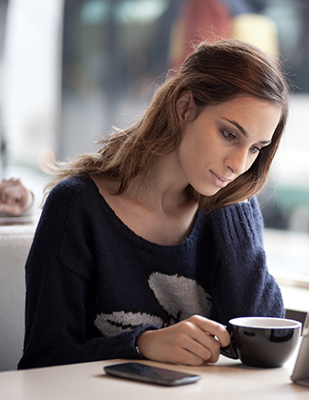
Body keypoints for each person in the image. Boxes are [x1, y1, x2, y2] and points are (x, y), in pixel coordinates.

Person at [18, 39, 290, 369]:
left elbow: (264, 339)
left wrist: (234, 203)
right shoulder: (76, 207)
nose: (239, 164)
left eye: (255, 148)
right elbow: (41, 361)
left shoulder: (229, 214)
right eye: (230, 135)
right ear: (185, 107)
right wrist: (141, 344)